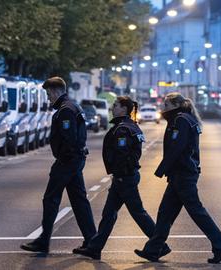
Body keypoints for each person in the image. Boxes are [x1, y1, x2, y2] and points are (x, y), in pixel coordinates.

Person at [134, 92, 221, 264]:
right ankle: (153, 250)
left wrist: (162, 168)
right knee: (165, 213)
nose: (163, 108)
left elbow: (177, 147)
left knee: (197, 212)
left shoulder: (181, 120)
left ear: (174, 105)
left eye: (166, 105)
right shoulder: (183, 118)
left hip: (183, 174)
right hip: (180, 174)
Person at [73, 96, 171, 260]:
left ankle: (159, 246)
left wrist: (119, 175)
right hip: (124, 177)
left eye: (116, 105)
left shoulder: (123, 129)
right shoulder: (131, 126)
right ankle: (94, 248)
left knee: (138, 213)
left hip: (124, 178)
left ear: (124, 109)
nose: (113, 108)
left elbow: (123, 156)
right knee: (109, 214)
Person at [20, 77, 96, 254]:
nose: (48, 98)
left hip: (68, 162)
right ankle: (92, 242)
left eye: (48, 94)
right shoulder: (73, 106)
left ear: (55, 91)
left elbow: (69, 139)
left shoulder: (66, 110)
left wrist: (63, 160)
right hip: (74, 160)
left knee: (51, 199)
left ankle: (43, 241)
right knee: (79, 201)